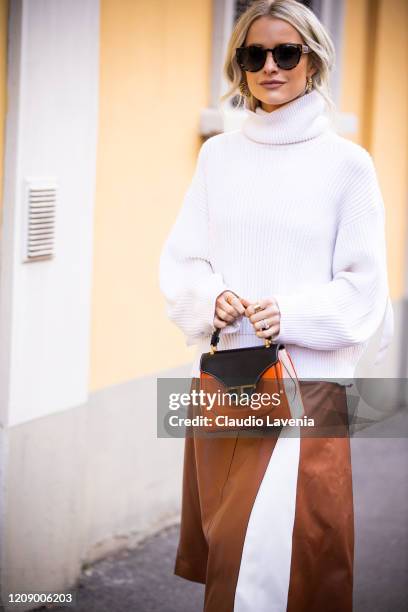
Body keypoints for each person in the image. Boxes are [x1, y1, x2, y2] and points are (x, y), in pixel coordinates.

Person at [158, 1, 394, 610]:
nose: (269, 66)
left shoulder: (349, 165)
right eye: (252, 54)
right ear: (239, 65)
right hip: (228, 382)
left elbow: (365, 289)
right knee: (231, 557)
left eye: (285, 52)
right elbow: (183, 261)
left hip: (307, 388)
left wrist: (288, 313)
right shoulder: (218, 157)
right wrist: (214, 296)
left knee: (293, 564)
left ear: (312, 60)